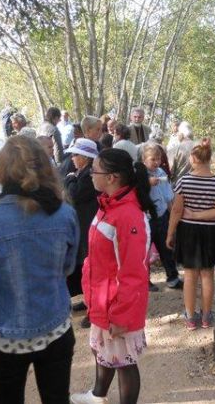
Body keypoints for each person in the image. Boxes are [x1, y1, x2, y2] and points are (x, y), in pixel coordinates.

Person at [0, 135, 79, 404]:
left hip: (6, 340)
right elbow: (68, 267)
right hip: (56, 329)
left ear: (2, 171)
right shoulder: (65, 214)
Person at [70, 149, 154, 404]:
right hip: (102, 298)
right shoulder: (108, 204)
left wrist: (121, 315)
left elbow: (134, 272)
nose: (90, 174)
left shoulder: (127, 214)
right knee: (104, 350)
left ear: (112, 177)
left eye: (94, 170)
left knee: (124, 362)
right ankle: (98, 395)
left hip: (116, 304)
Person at [166, 139, 215, 330]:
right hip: (211, 232)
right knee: (207, 275)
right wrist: (201, 215)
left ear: (193, 159)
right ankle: (206, 317)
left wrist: (170, 233)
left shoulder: (183, 181)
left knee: (190, 275)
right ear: (209, 159)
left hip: (189, 232)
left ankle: (190, 317)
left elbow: (176, 210)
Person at [64, 138, 100, 329]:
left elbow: (74, 195)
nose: (72, 158)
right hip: (84, 225)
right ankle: (88, 301)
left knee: (92, 269)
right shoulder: (83, 173)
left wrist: (70, 179)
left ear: (85, 157)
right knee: (86, 268)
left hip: (89, 226)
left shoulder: (88, 176)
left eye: (75, 155)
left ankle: (95, 311)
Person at [143, 143, 182, 290]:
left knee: (166, 247)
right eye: (152, 159)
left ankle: (173, 277)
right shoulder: (140, 174)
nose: (156, 162)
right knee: (144, 251)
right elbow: (136, 190)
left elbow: (168, 196)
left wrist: (173, 216)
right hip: (146, 219)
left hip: (162, 216)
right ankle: (145, 281)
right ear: (144, 159)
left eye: (158, 159)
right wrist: (147, 183)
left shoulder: (161, 172)